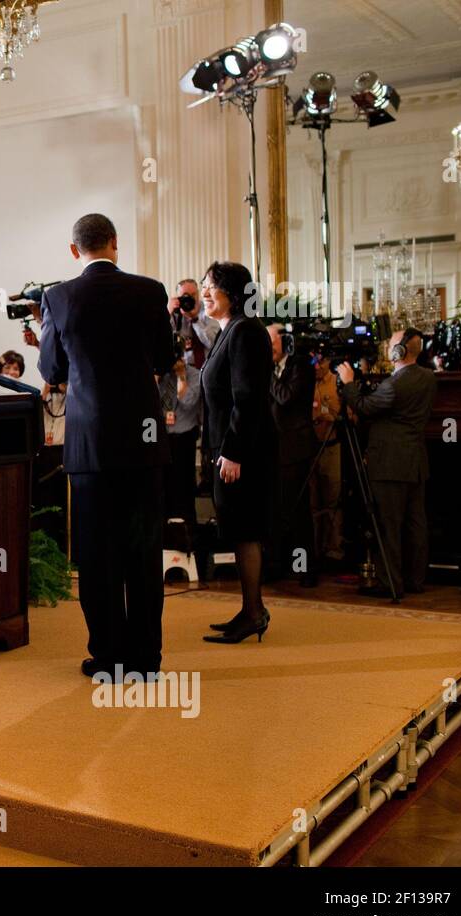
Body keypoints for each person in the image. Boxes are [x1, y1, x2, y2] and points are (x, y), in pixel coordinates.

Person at [37, 213, 173, 677]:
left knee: (97, 556)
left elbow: (51, 369)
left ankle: (109, 657)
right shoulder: (151, 290)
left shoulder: (56, 297)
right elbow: (163, 358)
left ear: (75, 251)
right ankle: (146, 658)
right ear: (115, 244)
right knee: (142, 552)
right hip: (143, 442)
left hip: (90, 445)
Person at [200, 261, 277, 644]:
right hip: (227, 448)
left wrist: (232, 451)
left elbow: (246, 398)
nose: (204, 291)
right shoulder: (228, 331)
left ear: (232, 291)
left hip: (241, 450)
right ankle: (250, 609)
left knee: (246, 529)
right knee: (238, 528)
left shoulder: (246, 331)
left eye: (211, 285)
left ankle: (254, 613)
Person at [337, 328, 437, 598]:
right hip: (415, 462)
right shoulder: (429, 378)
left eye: (391, 344)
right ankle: (415, 580)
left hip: (390, 464)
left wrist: (348, 383)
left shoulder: (394, 385)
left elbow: (364, 406)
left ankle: (390, 583)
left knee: (388, 526)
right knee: (416, 524)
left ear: (399, 352)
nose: (386, 348)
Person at [267, 324, 319, 587]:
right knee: (277, 508)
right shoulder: (273, 370)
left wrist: (266, 371)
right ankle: (280, 564)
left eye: (271, 343)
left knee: (298, 509)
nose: (268, 349)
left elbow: (285, 397)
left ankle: (307, 569)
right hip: (273, 448)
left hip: (296, 449)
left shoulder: (301, 366)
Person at [158, 355, 201, 528]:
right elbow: (148, 403)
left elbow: (189, 401)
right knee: (161, 490)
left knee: (183, 491)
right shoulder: (159, 375)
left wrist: (182, 375)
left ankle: (186, 535)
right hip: (160, 438)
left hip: (184, 438)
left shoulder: (194, 374)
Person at [310, 356, 344, 565]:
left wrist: (324, 412)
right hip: (309, 449)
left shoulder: (338, 382)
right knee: (311, 502)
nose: (317, 367)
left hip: (332, 447)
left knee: (333, 500)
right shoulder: (305, 381)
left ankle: (334, 550)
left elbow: (348, 415)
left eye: (321, 363)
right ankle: (313, 550)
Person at [167, 279, 218, 369]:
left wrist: (195, 319)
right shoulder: (174, 315)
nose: (190, 299)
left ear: (198, 294)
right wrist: (167, 314)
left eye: (193, 295)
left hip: (209, 367)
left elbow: (213, 344)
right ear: (178, 298)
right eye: (185, 296)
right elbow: (161, 344)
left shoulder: (209, 310)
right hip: (183, 370)